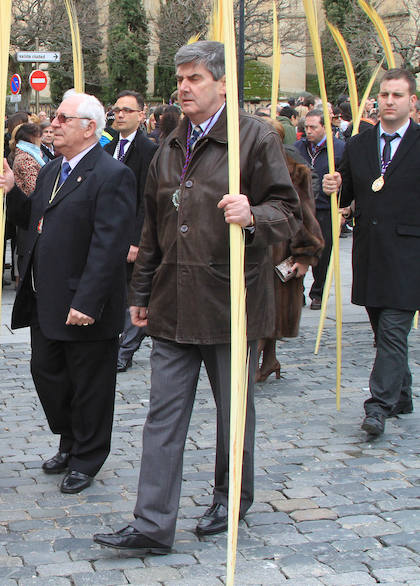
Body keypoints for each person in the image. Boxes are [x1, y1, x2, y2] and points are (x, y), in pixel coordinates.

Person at [93, 41, 299, 554]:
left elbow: (289, 213)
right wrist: (141, 291)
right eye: (180, 78)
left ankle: (231, 498)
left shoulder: (254, 139)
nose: (184, 87)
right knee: (162, 417)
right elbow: (154, 227)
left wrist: (253, 216)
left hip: (231, 302)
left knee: (233, 415)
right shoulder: (168, 144)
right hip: (171, 302)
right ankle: (151, 524)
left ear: (223, 84)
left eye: (195, 78)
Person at [0, 91, 136, 494]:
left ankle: (87, 457)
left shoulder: (111, 174)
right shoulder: (53, 169)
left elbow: (109, 245)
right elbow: (34, 217)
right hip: (46, 298)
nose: (52, 124)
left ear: (89, 128)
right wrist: (11, 191)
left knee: (90, 385)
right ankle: (69, 440)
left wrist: (88, 301)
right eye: (54, 117)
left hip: (84, 302)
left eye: (61, 118)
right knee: (48, 375)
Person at [322, 68, 420, 437]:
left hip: (409, 255)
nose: (389, 101)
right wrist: (334, 185)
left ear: (412, 101)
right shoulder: (360, 144)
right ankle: (402, 394)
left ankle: (378, 406)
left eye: (397, 95)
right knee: (383, 331)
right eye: (384, 95)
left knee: (393, 330)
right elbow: (347, 194)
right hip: (370, 254)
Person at [257, 119, 324, 381]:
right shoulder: (244, 167)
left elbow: (305, 216)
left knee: (270, 309)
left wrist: (305, 255)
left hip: (281, 251)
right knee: (260, 310)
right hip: (254, 250)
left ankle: (250, 366)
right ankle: (269, 360)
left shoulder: (295, 171)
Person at [103, 90, 159, 372]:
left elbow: (148, 200)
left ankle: (125, 349)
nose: (120, 115)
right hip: (108, 233)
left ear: (141, 114)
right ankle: (114, 343)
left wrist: (137, 241)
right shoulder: (107, 147)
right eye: (117, 110)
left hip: (133, 235)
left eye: (127, 110)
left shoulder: (149, 151)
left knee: (134, 293)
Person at [294, 109, 344, 310]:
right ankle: (298, 291)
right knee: (298, 250)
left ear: (325, 126)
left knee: (323, 253)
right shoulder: (298, 148)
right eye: (306, 127)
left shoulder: (338, 148)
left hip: (325, 208)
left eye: (313, 127)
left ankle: (318, 292)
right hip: (302, 208)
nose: (308, 131)